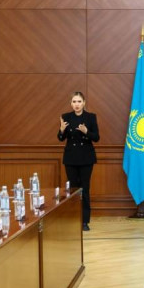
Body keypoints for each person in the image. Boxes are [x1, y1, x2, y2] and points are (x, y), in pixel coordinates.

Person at [58, 92, 99, 232]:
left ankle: (85, 221)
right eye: (74, 101)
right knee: (73, 190)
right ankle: (73, 220)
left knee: (85, 189)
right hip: (71, 158)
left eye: (79, 101)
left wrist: (86, 131)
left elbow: (96, 137)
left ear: (84, 102)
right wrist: (61, 130)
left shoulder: (91, 117)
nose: (77, 104)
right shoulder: (66, 117)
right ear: (71, 103)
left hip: (86, 158)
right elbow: (61, 138)